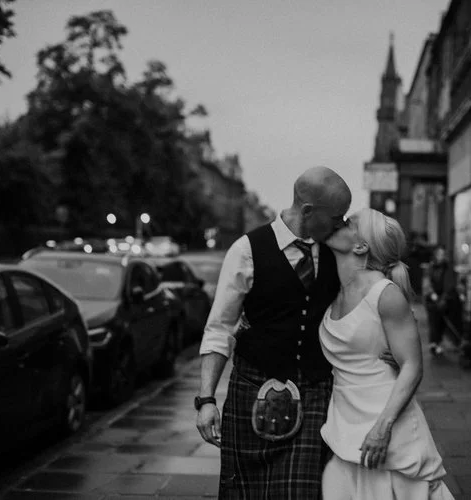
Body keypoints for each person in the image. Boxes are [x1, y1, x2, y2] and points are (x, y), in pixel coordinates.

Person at [195, 166, 352, 499]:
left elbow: (355, 309)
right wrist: (207, 400)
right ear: (308, 211)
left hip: (314, 393)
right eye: (336, 217)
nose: (340, 225)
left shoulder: (336, 254)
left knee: (302, 492)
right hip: (253, 389)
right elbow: (220, 327)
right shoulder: (246, 250)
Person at [319, 208, 455, 499]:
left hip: (387, 428)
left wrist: (382, 428)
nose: (338, 223)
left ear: (360, 246)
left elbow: (412, 367)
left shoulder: (385, 294)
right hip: (344, 425)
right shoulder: (332, 290)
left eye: (349, 223)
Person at [423, 246, 459, 356]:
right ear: (435, 255)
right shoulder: (430, 267)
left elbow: (450, 283)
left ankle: (437, 342)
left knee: (441, 322)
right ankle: (434, 343)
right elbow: (427, 281)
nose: (441, 256)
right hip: (432, 299)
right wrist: (432, 294)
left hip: (444, 299)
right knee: (434, 321)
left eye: (443, 254)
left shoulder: (447, 268)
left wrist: (444, 297)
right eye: (439, 254)